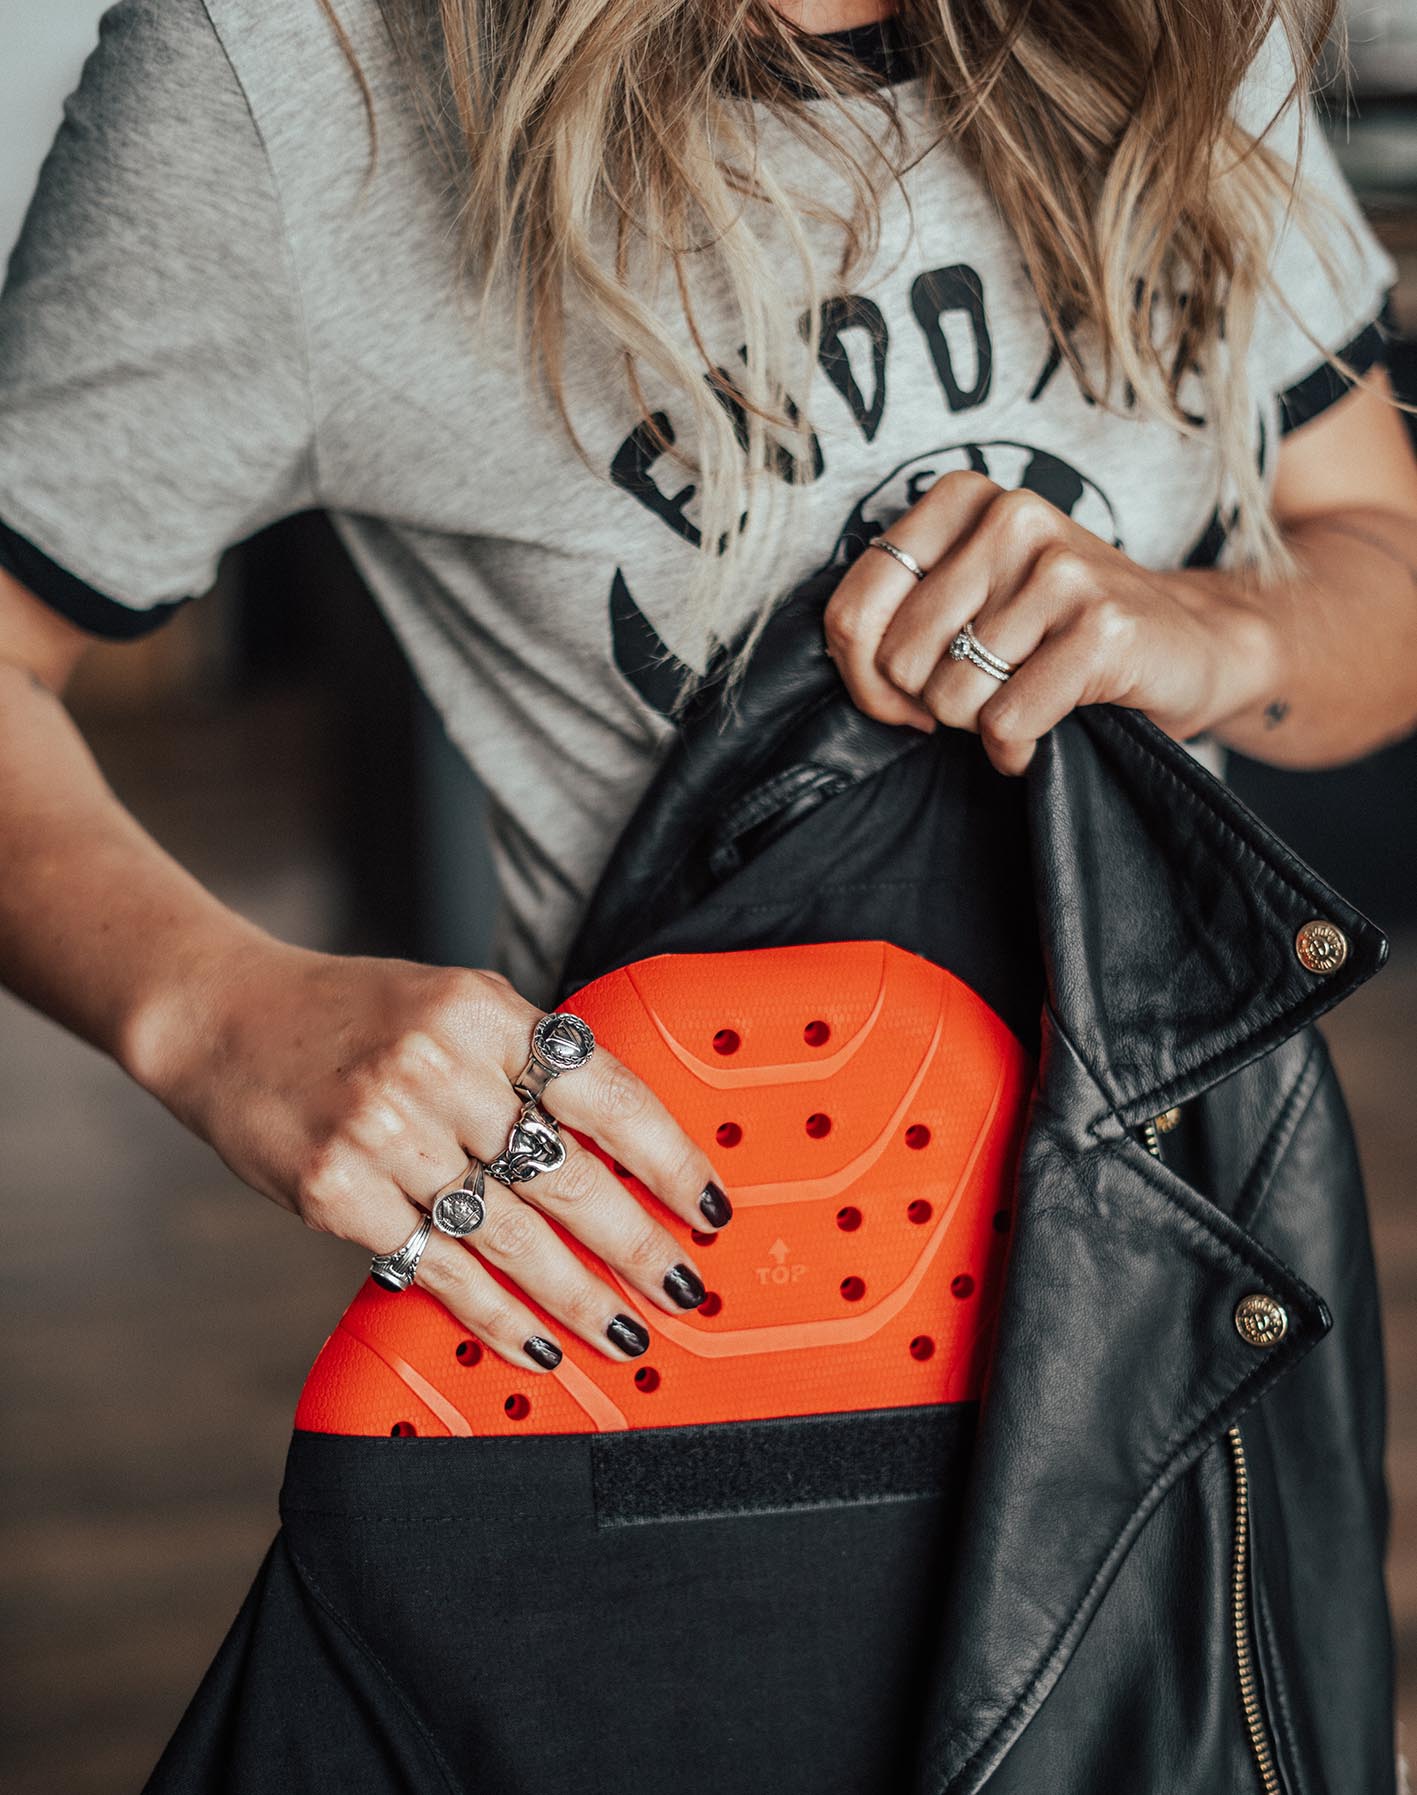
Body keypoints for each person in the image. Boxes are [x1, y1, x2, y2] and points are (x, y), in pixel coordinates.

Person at [1, 0, 1416, 1788]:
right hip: (701, 1329)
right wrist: (208, 1006)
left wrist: (1213, 628)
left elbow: (1380, 550)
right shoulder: (296, 75)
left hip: (1190, 1260)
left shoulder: (1187, 27)